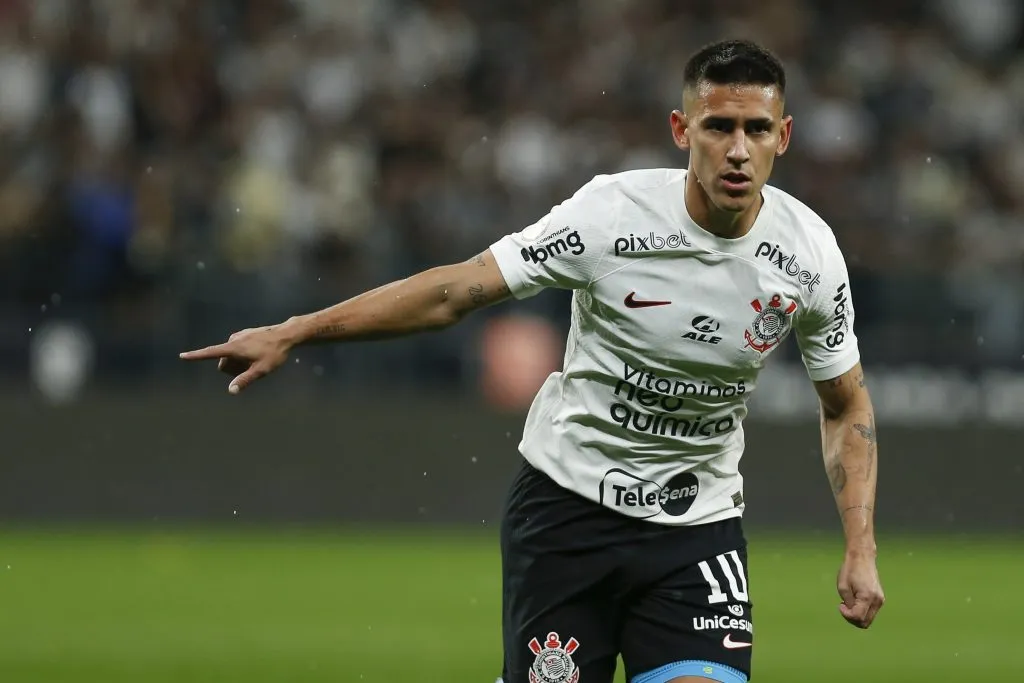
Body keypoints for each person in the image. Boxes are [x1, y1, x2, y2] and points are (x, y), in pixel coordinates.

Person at [180, 39, 884, 683]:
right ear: (681, 130)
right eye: (718, 126)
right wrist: (298, 330)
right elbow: (455, 292)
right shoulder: (612, 217)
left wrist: (860, 546)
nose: (737, 150)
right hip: (567, 513)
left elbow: (846, 403)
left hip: (695, 528)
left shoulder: (809, 256)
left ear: (783, 137)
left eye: (756, 130)